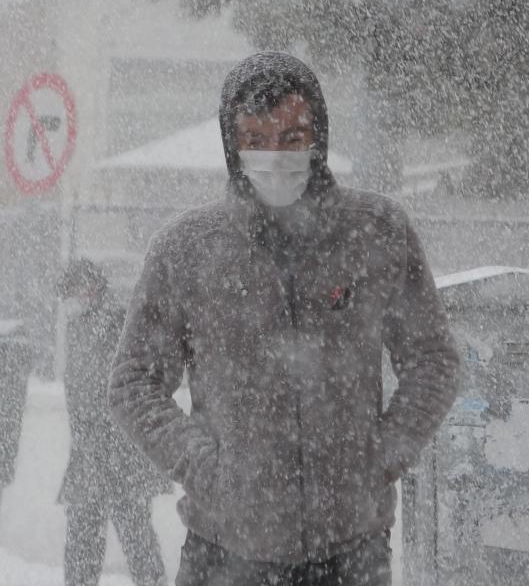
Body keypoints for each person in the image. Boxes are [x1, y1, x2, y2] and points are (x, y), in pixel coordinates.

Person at [110, 52, 461, 586]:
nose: (275, 156)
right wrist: (206, 468)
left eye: (293, 138)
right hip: (224, 550)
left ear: (318, 137)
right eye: (256, 140)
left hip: (352, 550)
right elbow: (133, 383)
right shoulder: (188, 249)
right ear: (233, 148)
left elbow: (433, 361)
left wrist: (380, 458)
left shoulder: (377, 232)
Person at [58, 258, 169, 586]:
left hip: (119, 447)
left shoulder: (117, 322)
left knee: (132, 529)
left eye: (72, 293)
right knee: (85, 531)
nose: (69, 303)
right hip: (91, 448)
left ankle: (152, 581)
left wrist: (107, 424)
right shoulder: (79, 327)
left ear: (90, 288)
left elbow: (132, 383)